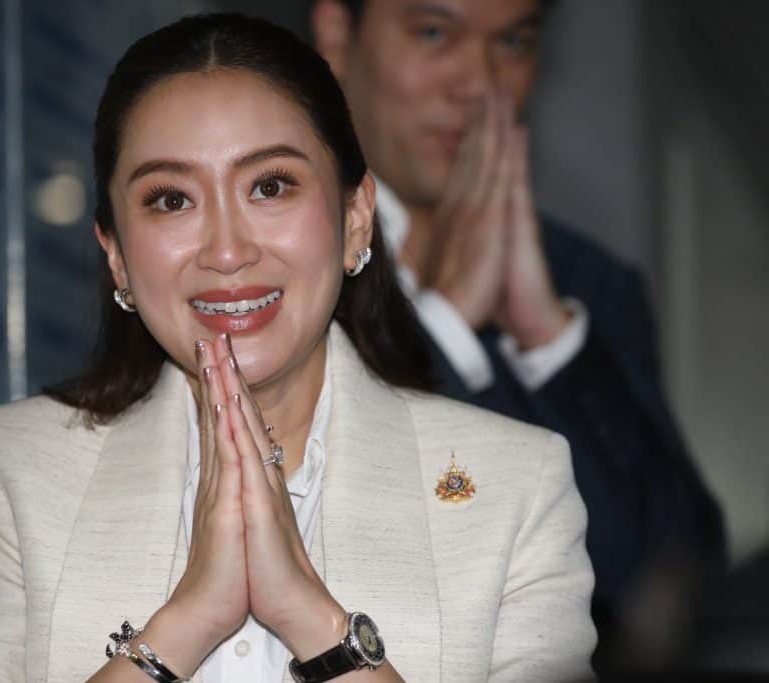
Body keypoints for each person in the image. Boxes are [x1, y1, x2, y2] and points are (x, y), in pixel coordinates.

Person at [0, 13, 596, 683]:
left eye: (269, 186)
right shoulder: (10, 473)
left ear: (356, 218)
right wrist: (189, 619)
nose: (227, 250)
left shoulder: (516, 488)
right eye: (171, 199)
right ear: (117, 254)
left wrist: (308, 615)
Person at [310, 0, 726, 670]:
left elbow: (683, 589)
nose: (480, 84)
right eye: (434, 33)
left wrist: (548, 340)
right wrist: (445, 329)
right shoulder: (269, 267)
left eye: (513, 42)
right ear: (337, 34)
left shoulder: (587, 283)